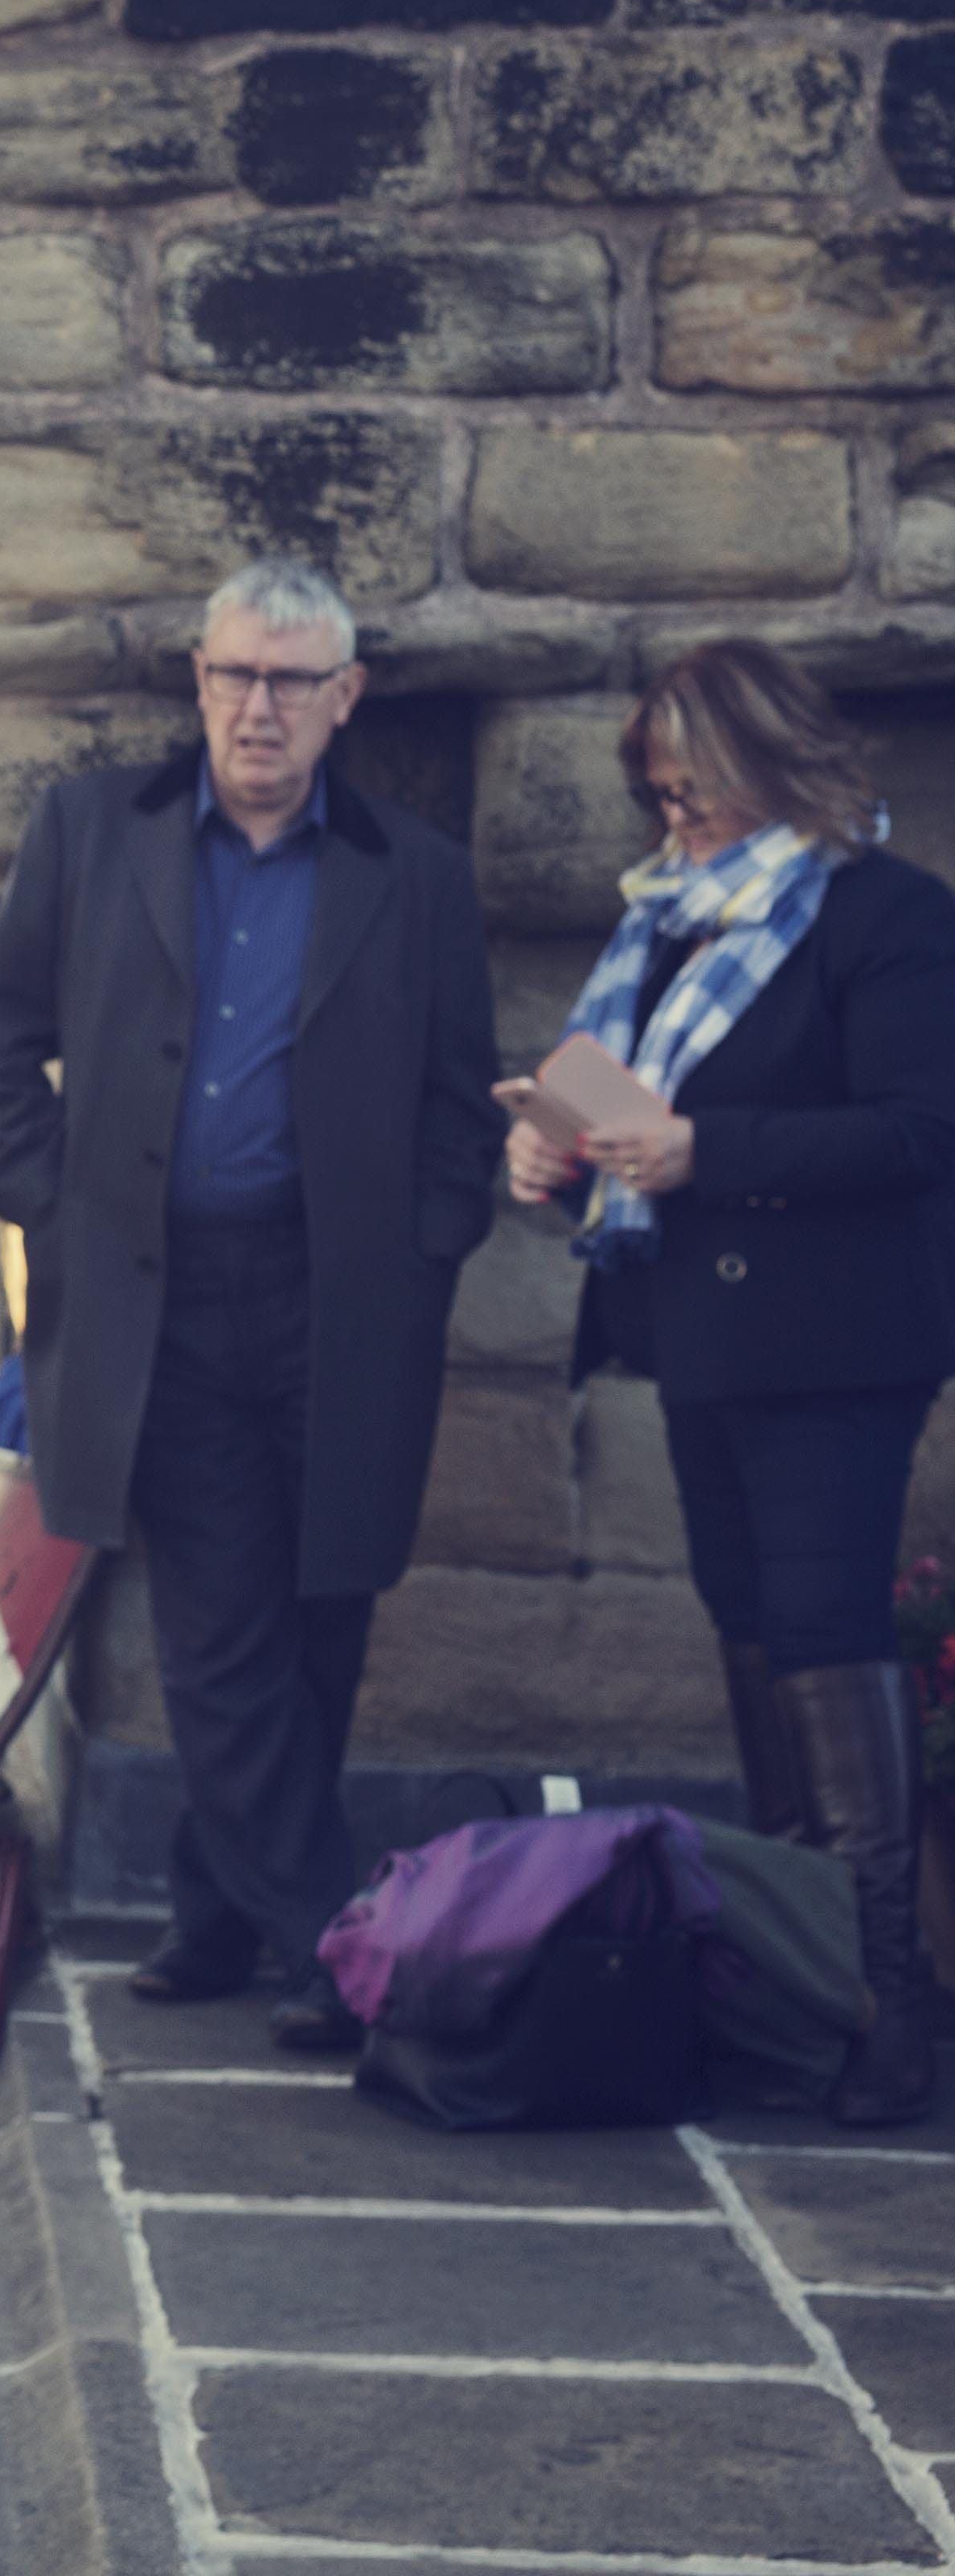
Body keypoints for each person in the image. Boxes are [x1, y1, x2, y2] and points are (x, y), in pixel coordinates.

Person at [0, 556, 502, 2055]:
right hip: (155, 1297)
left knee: (323, 1614)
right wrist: (44, 1196)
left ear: (346, 699)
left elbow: (464, 1098)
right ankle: (343, 1945)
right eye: (233, 675)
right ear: (198, 681)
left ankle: (214, 1902)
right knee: (216, 1632)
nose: (257, 707)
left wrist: (433, 1243)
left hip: (341, 1306)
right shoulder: (89, 832)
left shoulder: (418, 876)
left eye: (290, 681)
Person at [509, 640, 949, 2125]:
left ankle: (893, 2000)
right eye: (659, 794)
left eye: (693, 793)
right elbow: (609, 1091)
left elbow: (912, 1135)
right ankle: (801, 1964)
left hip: (835, 1348)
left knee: (826, 1630)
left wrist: (707, 1152)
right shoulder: (669, 930)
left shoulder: (886, 917)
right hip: (698, 1331)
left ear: (774, 768)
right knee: (753, 1628)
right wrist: (552, 1147)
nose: (672, 823)